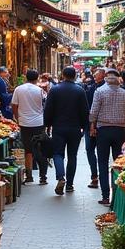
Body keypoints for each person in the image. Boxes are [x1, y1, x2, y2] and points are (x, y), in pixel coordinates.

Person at [43, 65, 89, 195]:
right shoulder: (79, 90)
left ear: (63, 75)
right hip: (75, 128)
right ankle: (69, 185)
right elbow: (85, 111)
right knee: (72, 156)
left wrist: (48, 125)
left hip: (59, 127)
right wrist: (84, 127)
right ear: (75, 76)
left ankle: (60, 177)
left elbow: (48, 109)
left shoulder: (55, 90)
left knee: (58, 154)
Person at [89, 68, 125, 205]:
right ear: (118, 78)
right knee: (118, 164)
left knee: (102, 162)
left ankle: (105, 196)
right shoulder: (124, 93)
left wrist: (92, 125)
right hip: (119, 130)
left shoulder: (100, 91)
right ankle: (117, 195)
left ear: (106, 77)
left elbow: (93, 112)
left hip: (103, 130)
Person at [12, 68, 49, 184]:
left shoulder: (18, 89)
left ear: (26, 77)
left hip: (24, 123)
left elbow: (14, 105)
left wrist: (17, 118)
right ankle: (43, 177)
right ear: (37, 78)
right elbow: (45, 106)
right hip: (38, 123)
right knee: (40, 149)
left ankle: (29, 176)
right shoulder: (40, 91)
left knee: (28, 150)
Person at [83, 67, 106, 188]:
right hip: (102, 124)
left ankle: (95, 177)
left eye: (96, 75)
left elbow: (89, 108)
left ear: (102, 76)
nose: (94, 76)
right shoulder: (97, 88)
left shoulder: (92, 89)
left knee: (90, 150)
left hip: (92, 124)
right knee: (101, 152)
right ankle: (101, 178)